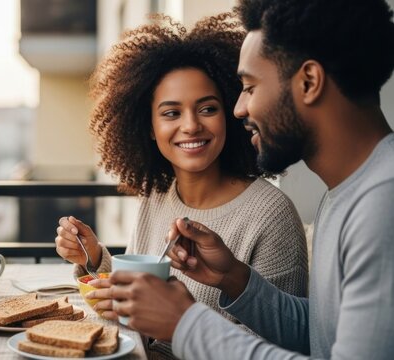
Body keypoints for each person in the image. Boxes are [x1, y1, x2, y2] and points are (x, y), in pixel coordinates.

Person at [98, 0, 394, 358]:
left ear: (309, 82)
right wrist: (235, 279)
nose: (239, 108)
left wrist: (185, 323)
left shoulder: (383, 204)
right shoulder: (344, 193)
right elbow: (318, 333)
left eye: (251, 87)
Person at [55, 13, 308, 358]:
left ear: (230, 114)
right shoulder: (157, 196)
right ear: (148, 126)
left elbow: (274, 346)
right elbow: (145, 293)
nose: (191, 126)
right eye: (171, 113)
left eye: (207, 108)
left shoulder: (270, 214)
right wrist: (95, 257)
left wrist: (183, 319)